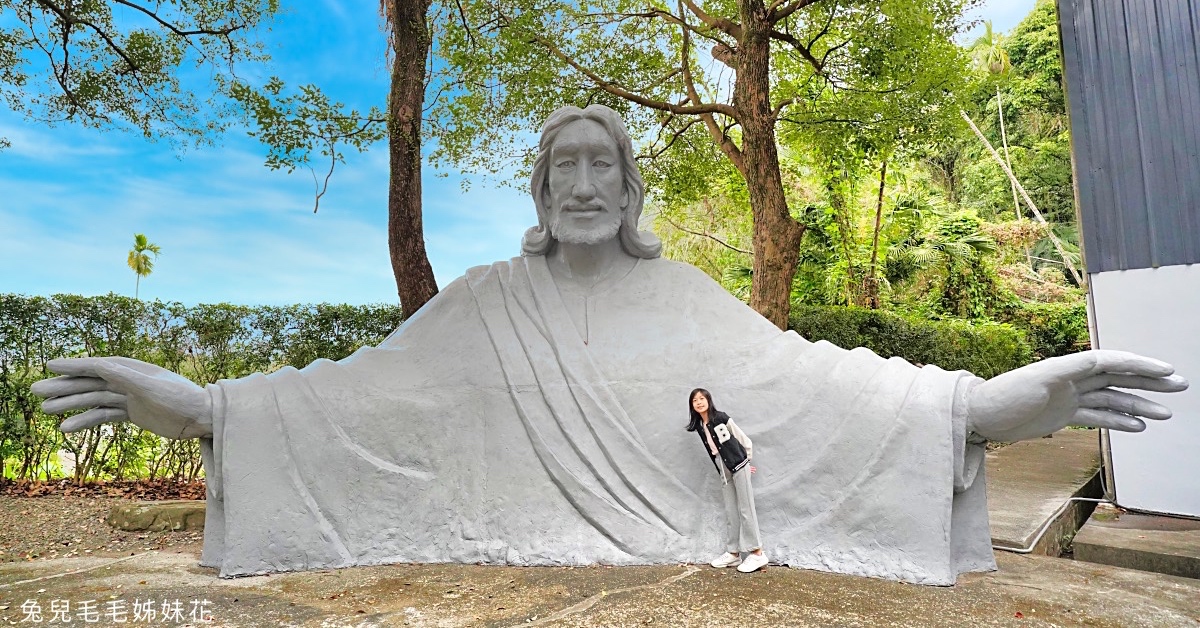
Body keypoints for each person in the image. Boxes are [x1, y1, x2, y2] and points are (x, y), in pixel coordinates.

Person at [31, 104, 1188, 585]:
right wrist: (205, 408)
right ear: (539, 186)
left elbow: (812, 384)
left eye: (604, 166)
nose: (583, 183)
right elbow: (358, 398)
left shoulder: (682, 291)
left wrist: (974, 408)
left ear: (630, 187)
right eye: (562, 167)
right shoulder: (487, 298)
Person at [687, 388, 767, 573]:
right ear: (692, 406)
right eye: (695, 400)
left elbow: (744, 440)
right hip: (724, 470)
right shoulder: (700, 425)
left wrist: (745, 461)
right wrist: (724, 468)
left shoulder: (721, 418)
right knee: (731, 511)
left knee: (746, 508)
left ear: (709, 400)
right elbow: (714, 452)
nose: (699, 402)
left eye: (702, 398)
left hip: (738, 465)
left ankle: (757, 553)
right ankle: (733, 553)